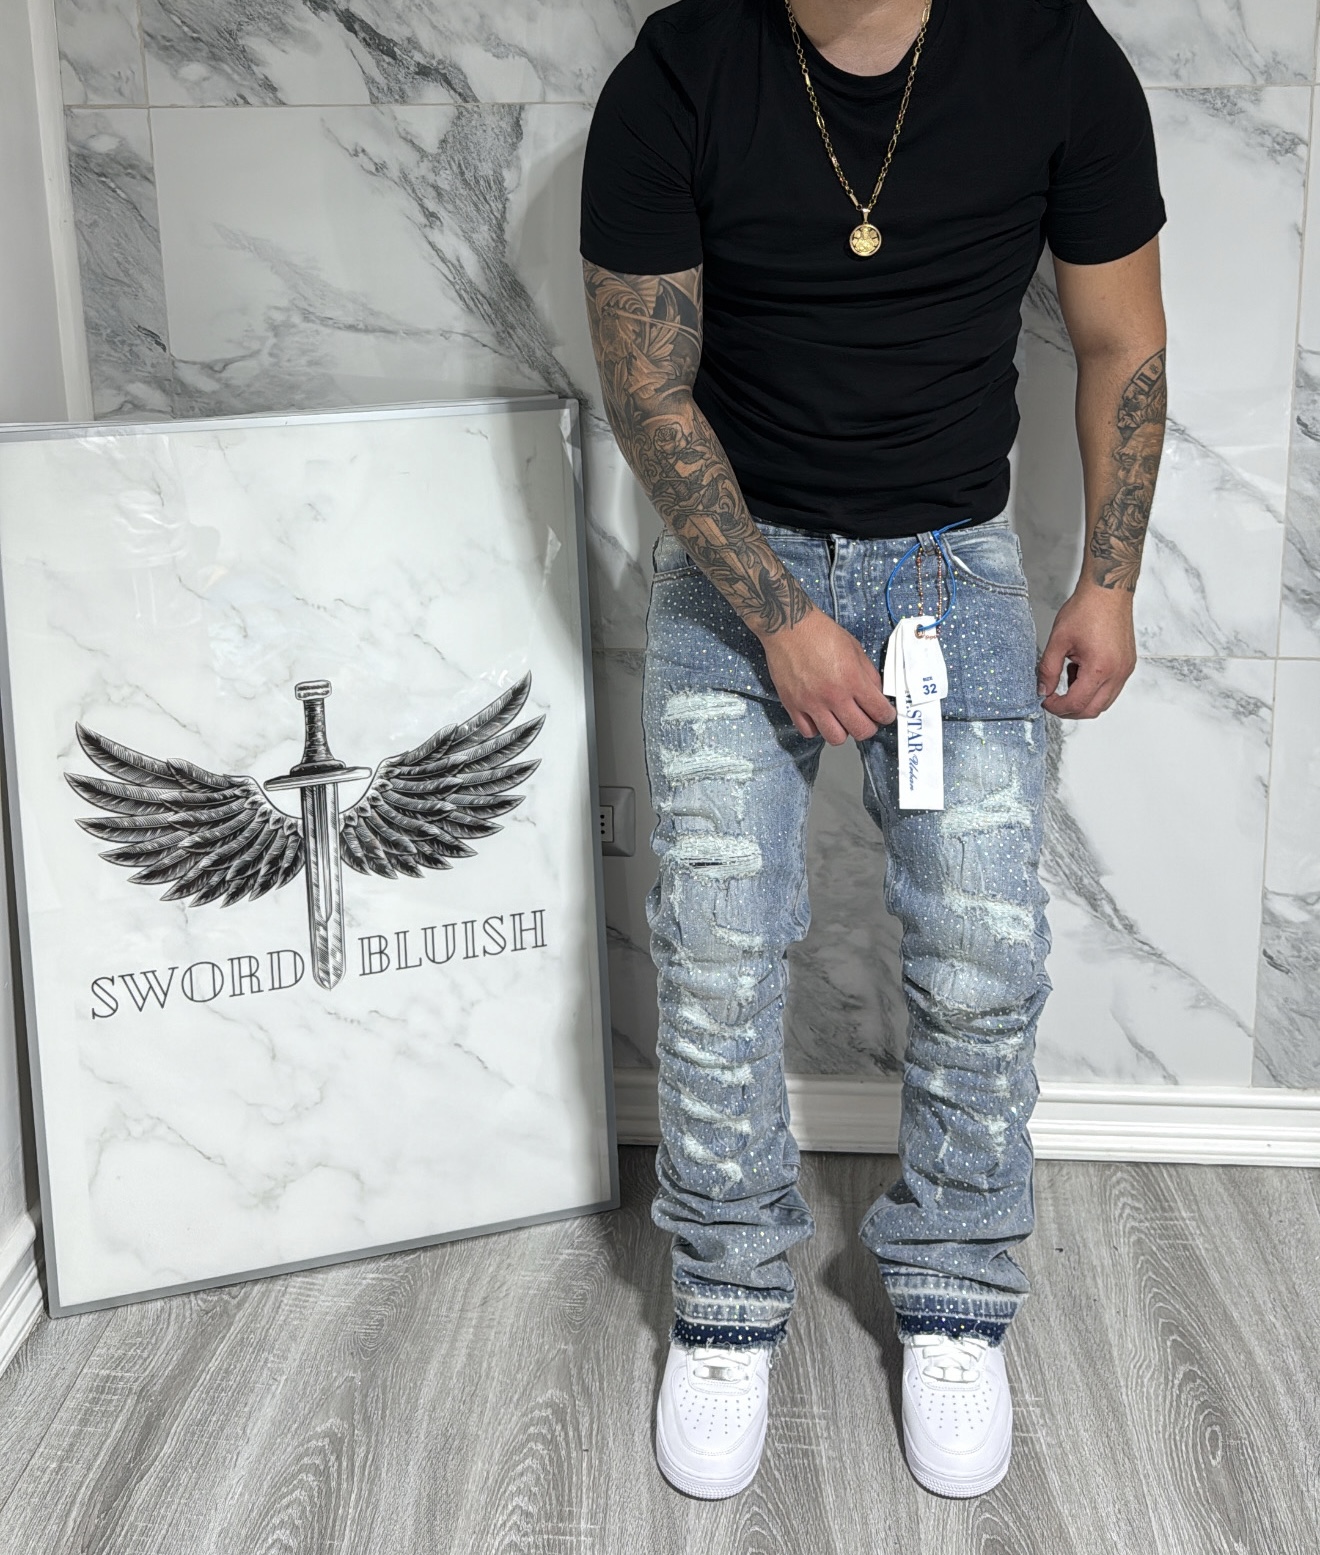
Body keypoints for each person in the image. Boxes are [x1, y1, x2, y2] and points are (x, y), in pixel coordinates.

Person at [580, 0, 1166, 1501]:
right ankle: (725, 1304)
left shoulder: (1051, 53)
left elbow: (1121, 338)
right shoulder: (682, 70)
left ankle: (957, 1298)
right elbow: (645, 386)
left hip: (951, 571)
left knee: (982, 961)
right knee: (715, 954)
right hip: (736, 572)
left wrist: (1108, 579)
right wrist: (780, 617)